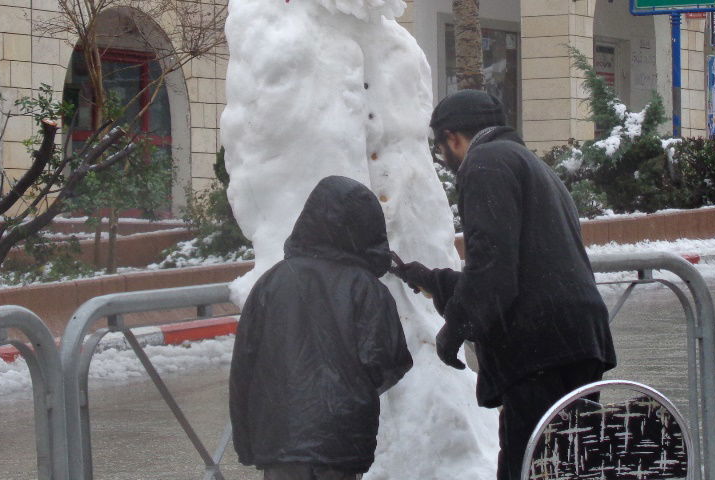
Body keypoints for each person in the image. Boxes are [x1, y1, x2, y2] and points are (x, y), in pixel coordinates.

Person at [390, 89, 617, 480]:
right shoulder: (528, 163)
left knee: (527, 464)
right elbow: (519, 269)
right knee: (568, 464)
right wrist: (429, 279)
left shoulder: (484, 164)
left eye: (441, 146)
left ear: (452, 138)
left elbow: (493, 268)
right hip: (575, 338)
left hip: (539, 348)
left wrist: (455, 330)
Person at [229, 175, 413, 480]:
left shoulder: (271, 284)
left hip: (279, 446)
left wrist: (246, 442)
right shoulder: (365, 288)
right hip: (339, 446)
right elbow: (385, 361)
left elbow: (244, 368)